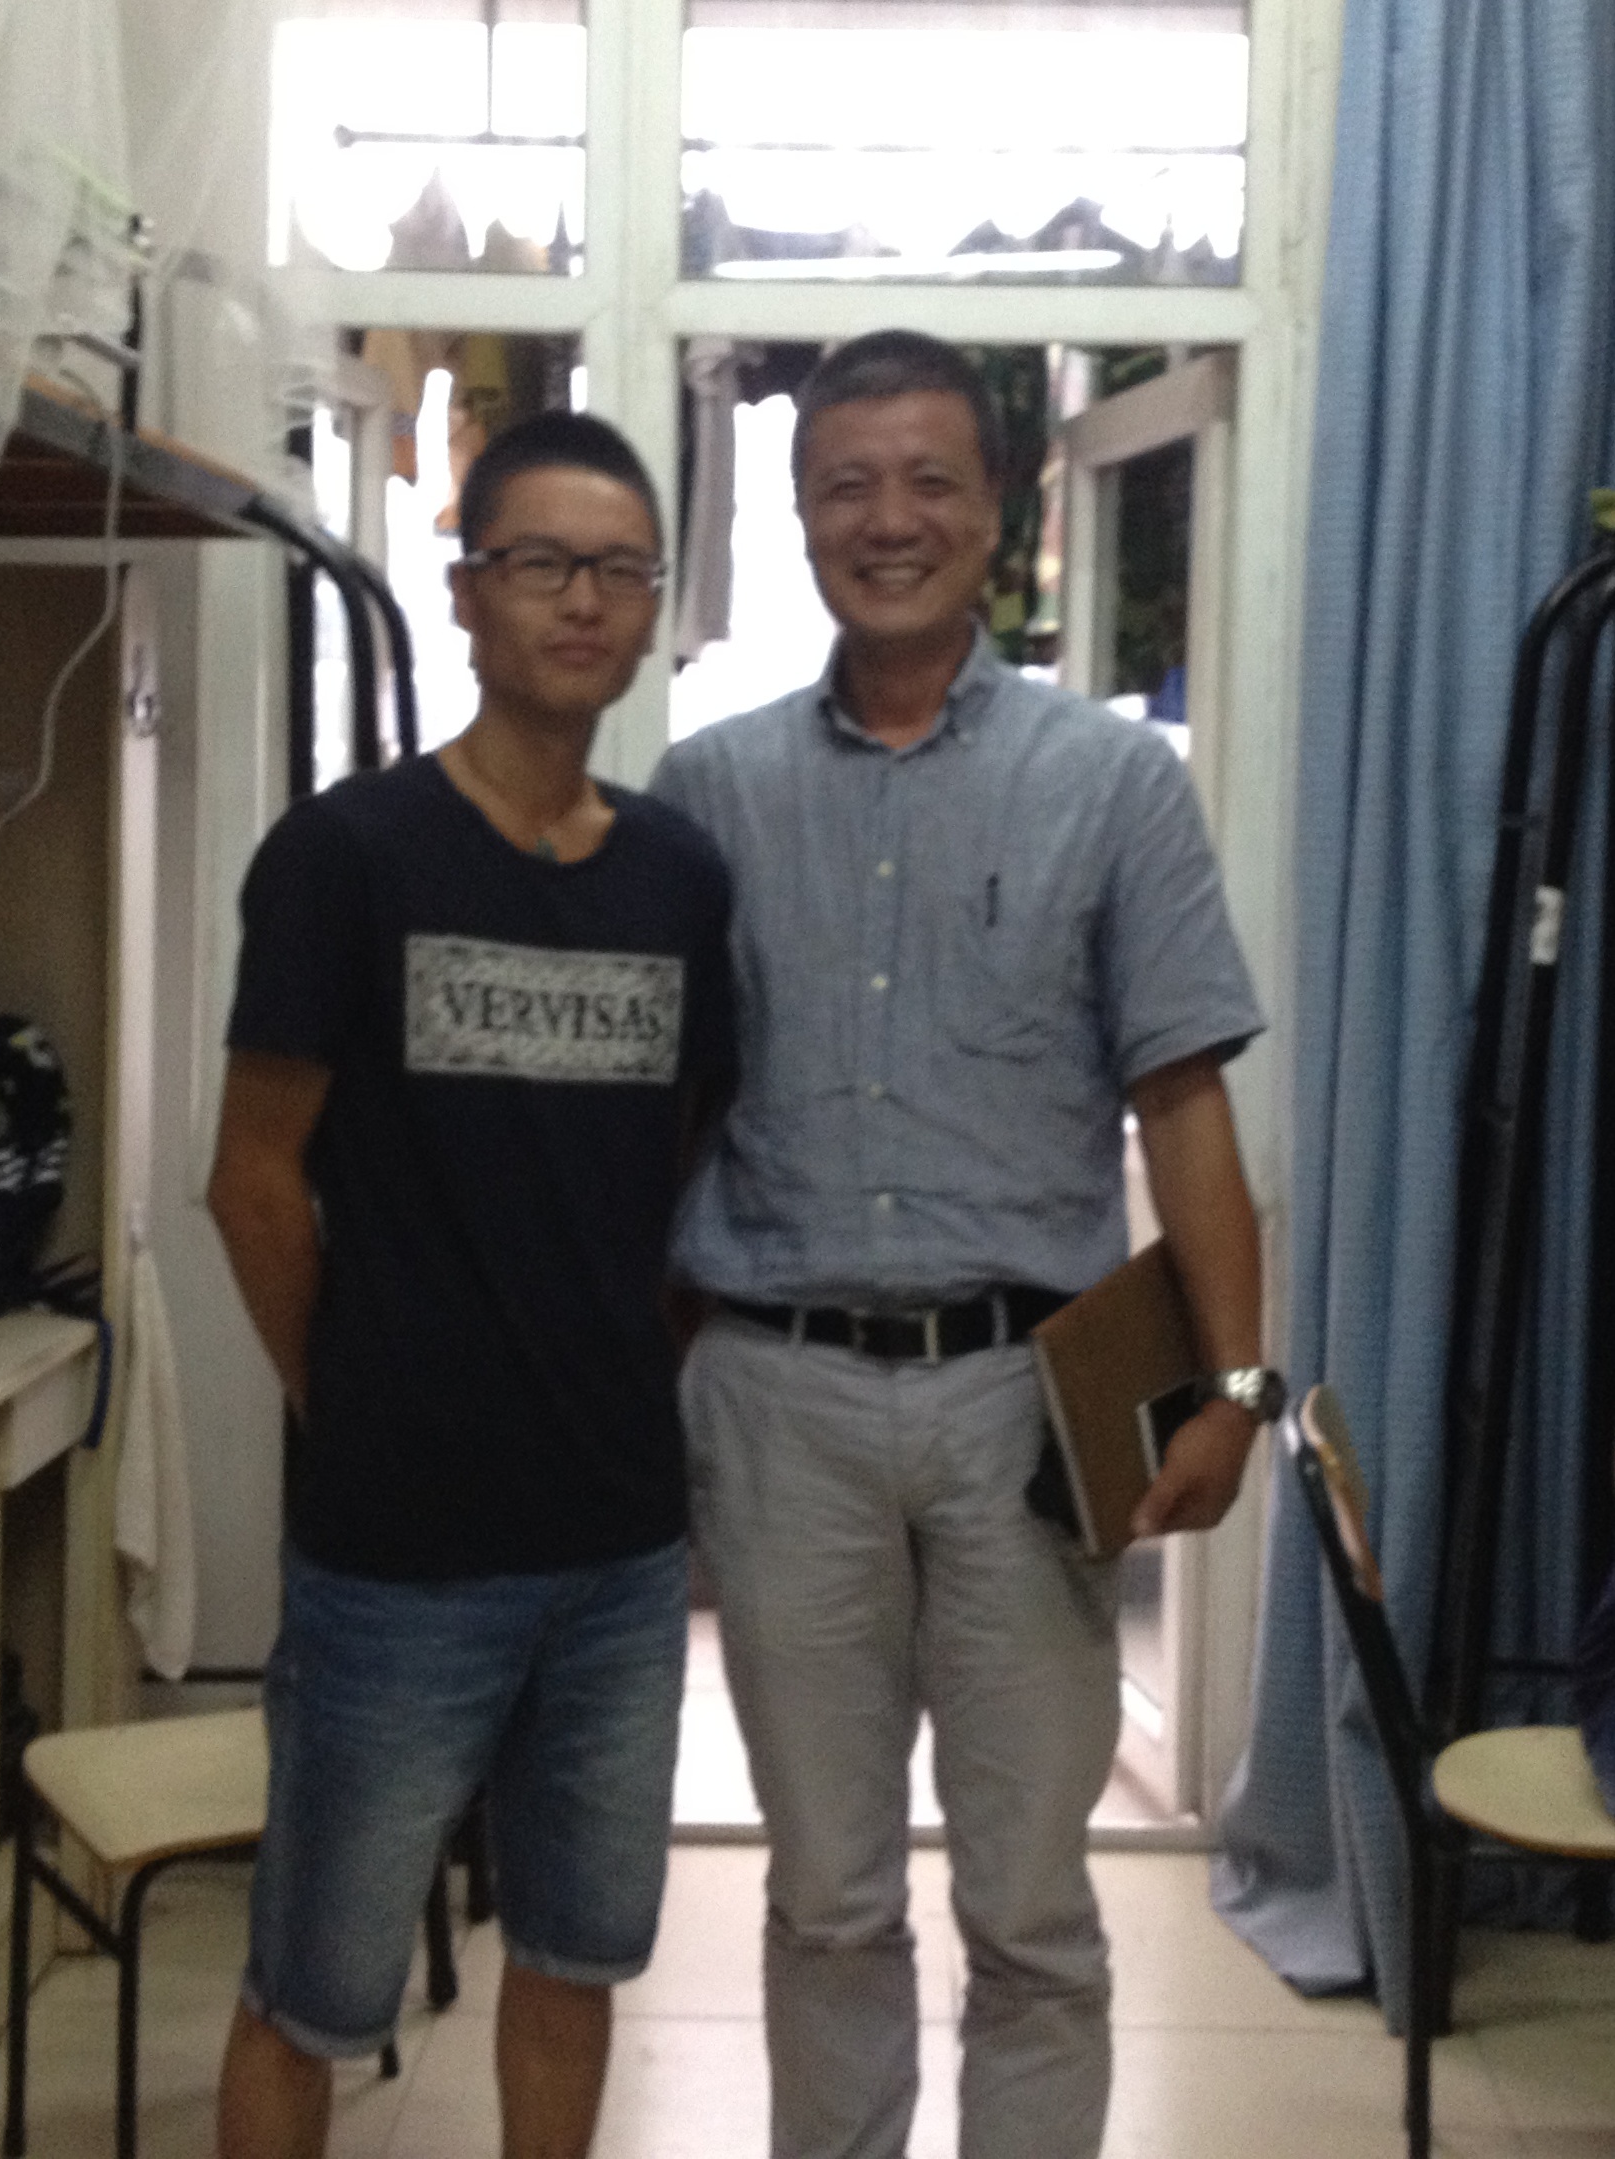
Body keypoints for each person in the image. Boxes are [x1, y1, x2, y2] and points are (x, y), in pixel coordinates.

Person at [646, 330, 1274, 2159]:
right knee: (826, 1895)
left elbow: (1185, 1106)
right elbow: (659, 1117)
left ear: (1000, 512)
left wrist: (1232, 1389)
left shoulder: (1113, 784)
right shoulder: (709, 790)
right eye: (847, 484)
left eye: (931, 481)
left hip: (1027, 1407)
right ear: (798, 514)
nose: (889, 519)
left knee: (1033, 1905)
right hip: (780, 1400)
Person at [208, 409, 736, 2159]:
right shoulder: (348, 857)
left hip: (620, 1544)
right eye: (542, 564)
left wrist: (608, 1359)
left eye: (620, 571)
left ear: (651, 607)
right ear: (467, 592)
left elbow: (678, 1173)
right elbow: (251, 1179)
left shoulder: (678, 879)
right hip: (397, 1554)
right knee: (313, 1988)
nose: (582, 601)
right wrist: (355, 1390)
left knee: (577, 1957)